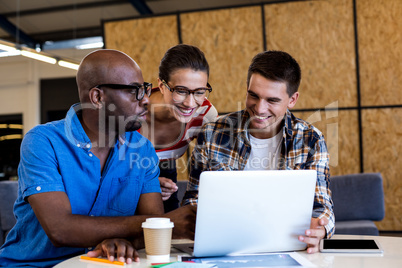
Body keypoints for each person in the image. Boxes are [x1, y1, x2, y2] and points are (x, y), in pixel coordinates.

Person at [0, 49, 195, 267]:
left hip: (102, 263)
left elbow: (149, 233)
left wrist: (118, 239)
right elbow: (61, 229)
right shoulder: (43, 142)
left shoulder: (143, 150)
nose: (146, 100)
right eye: (134, 91)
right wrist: (166, 223)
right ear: (97, 97)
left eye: (145, 89)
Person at [183, 50, 335, 253]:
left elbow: (323, 207)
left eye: (272, 100)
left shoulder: (311, 139)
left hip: (288, 249)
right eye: (253, 95)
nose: (260, 108)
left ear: (292, 99)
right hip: (225, 248)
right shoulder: (212, 133)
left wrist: (321, 228)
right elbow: (193, 198)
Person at [140, 44, 217, 212]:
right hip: (122, 183)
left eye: (199, 92)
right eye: (181, 91)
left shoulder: (205, 115)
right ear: (161, 85)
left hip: (166, 179)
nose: (190, 103)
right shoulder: (131, 111)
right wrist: (144, 184)